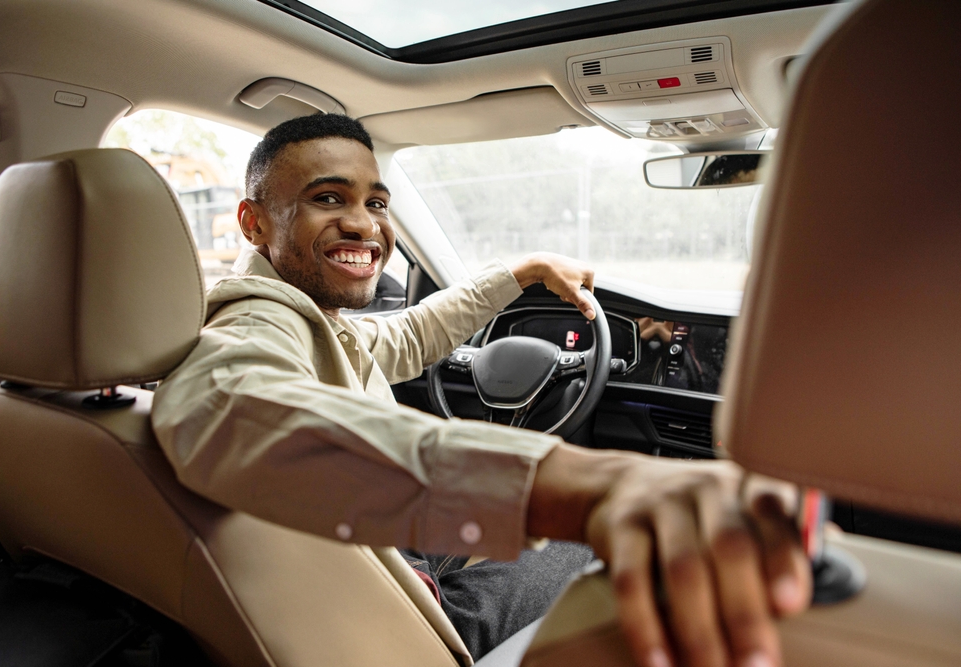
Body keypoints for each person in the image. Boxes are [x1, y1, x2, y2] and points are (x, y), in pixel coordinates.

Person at [152, 114, 810, 667]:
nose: (365, 226)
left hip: (369, 559)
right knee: (584, 544)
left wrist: (517, 272)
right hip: (404, 616)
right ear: (253, 222)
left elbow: (405, 338)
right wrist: (582, 483)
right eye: (329, 198)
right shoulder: (254, 318)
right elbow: (222, 405)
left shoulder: (310, 317)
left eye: (376, 203)